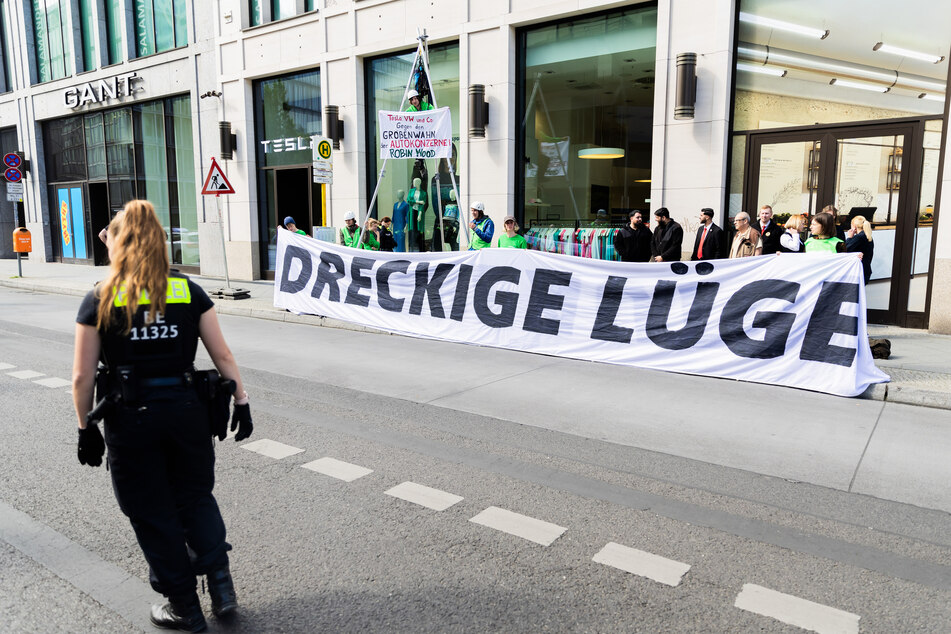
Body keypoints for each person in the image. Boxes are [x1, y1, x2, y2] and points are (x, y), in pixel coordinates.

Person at [72, 200, 252, 632]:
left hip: (131, 418)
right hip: (188, 412)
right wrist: (242, 401)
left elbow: (81, 376)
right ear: (161, 239)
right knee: (194, 496)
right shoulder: (186, 289)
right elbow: (222, 353)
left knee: (151, 510)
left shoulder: (102, 295)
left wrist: (85, 428)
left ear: (116, 241)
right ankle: (221, 586)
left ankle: (185, 607)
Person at [845, 215, 874, 283]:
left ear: (854, 226)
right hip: (866, 269)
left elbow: (845, 250)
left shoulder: (858, 237)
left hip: (858, 271)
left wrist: (849, 238)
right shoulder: (868, 236)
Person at [408, 178, 428, 252]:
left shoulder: (423, 193)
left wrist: (420, 214)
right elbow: (409, 200)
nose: (413, 183)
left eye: (415, 182)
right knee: (413, 229)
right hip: (412, 211)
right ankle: (412, 247)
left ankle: (420, 248)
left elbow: (423, 204)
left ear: (419, 183)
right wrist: (418, 201)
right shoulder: (411, 191)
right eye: (413, 182)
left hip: (419, 211)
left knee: (419, 229)